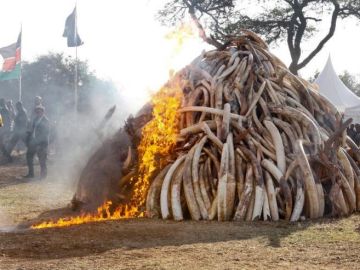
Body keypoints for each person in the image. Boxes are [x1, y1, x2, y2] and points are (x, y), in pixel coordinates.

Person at [25, 105, 50, 179]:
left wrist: (39, 143)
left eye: (39, 111)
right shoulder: (35, 119)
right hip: (33, 142)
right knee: (29, 156)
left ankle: (43, 176)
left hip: (42, 143)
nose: (38, 113)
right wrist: (29, 134)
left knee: (42, 160)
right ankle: (31, 173)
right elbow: (33, 130)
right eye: (37, 111)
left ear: (43, 112)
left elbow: (45, 133)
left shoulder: (46, 121)